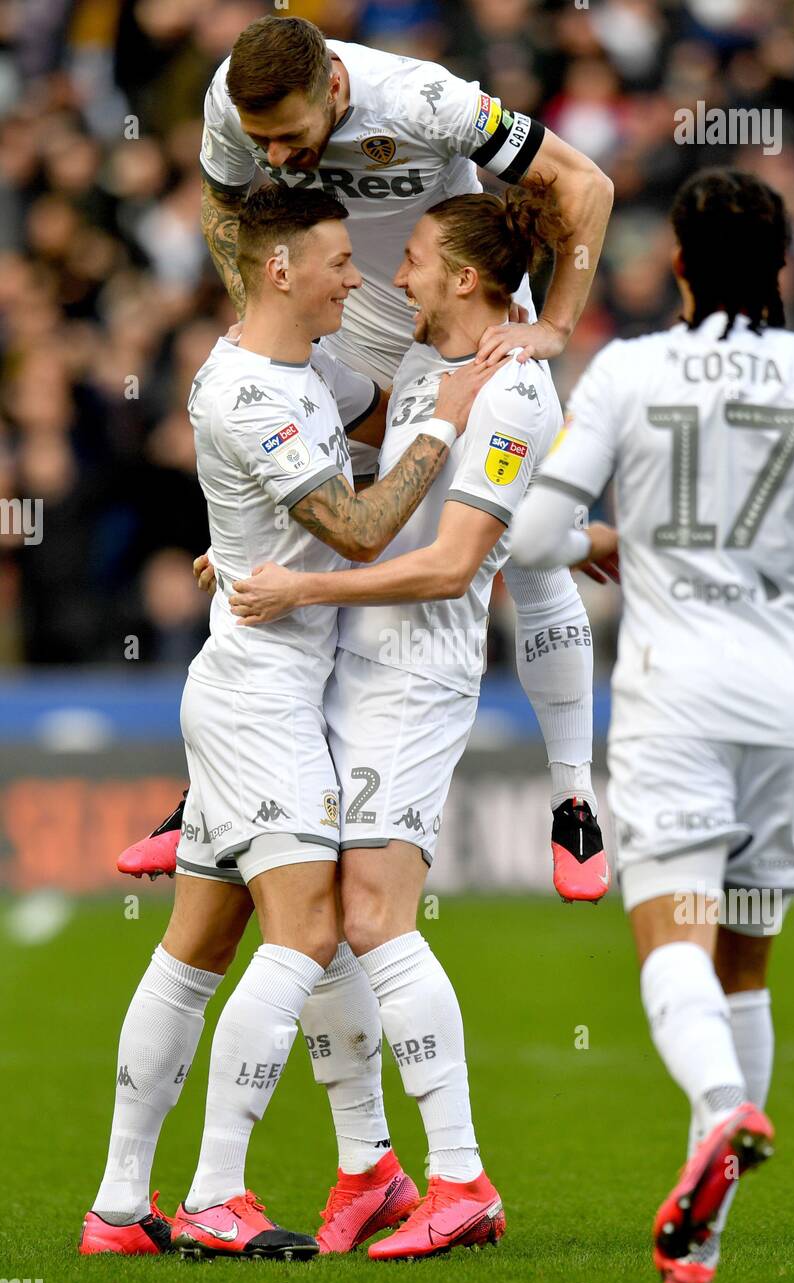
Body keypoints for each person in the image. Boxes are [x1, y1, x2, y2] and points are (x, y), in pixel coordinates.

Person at [79, 184, 491, 1260]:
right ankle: (216, 1191)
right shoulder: (245, 395)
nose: (355, 278)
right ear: (279, 268)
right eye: (338, 261)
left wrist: (478, 379)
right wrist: (451, 423)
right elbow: (358, 529)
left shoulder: (311, 368)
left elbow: (376, 420)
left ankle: (119, 1209)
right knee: (307, 933)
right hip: (261, 697)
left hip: (265, 685)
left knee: (197, 948)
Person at [118, 11, 615, 900]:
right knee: (283, 540)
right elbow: (229, 211)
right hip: (348, 316)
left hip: (455, 306)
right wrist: (265, 318)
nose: (276, 157)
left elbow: (585, 184)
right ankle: (211, 793)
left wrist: (556, 326)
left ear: (336, 89)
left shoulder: (424, 101)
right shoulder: (231, 102)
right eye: (263, 143)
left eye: (292, 138)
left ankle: (573, 799)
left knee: (530, 554)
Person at [509, 167, 794, 1283]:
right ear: (784, 267)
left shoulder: (628, 369)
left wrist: (602, 542)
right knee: (744, 962)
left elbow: (531, 537)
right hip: (789, 704)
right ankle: (695, 1252)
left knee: (672, 936)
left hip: (676, 700)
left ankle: (720, 1110)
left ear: (673, 265)